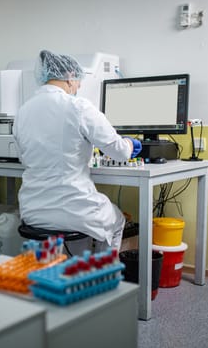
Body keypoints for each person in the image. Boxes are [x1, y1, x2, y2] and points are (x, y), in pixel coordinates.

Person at [12, 50, 141, 253]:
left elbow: (23, 157)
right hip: (75, 210)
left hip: (33, 210)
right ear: (70, 76)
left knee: (75, 232)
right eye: (79, 81)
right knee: (117, 221)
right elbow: (120, 152)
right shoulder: (78, 106)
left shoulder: (22, 112)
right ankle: (102, 279)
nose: (79, 86)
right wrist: (130, 144)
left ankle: (72, 273)